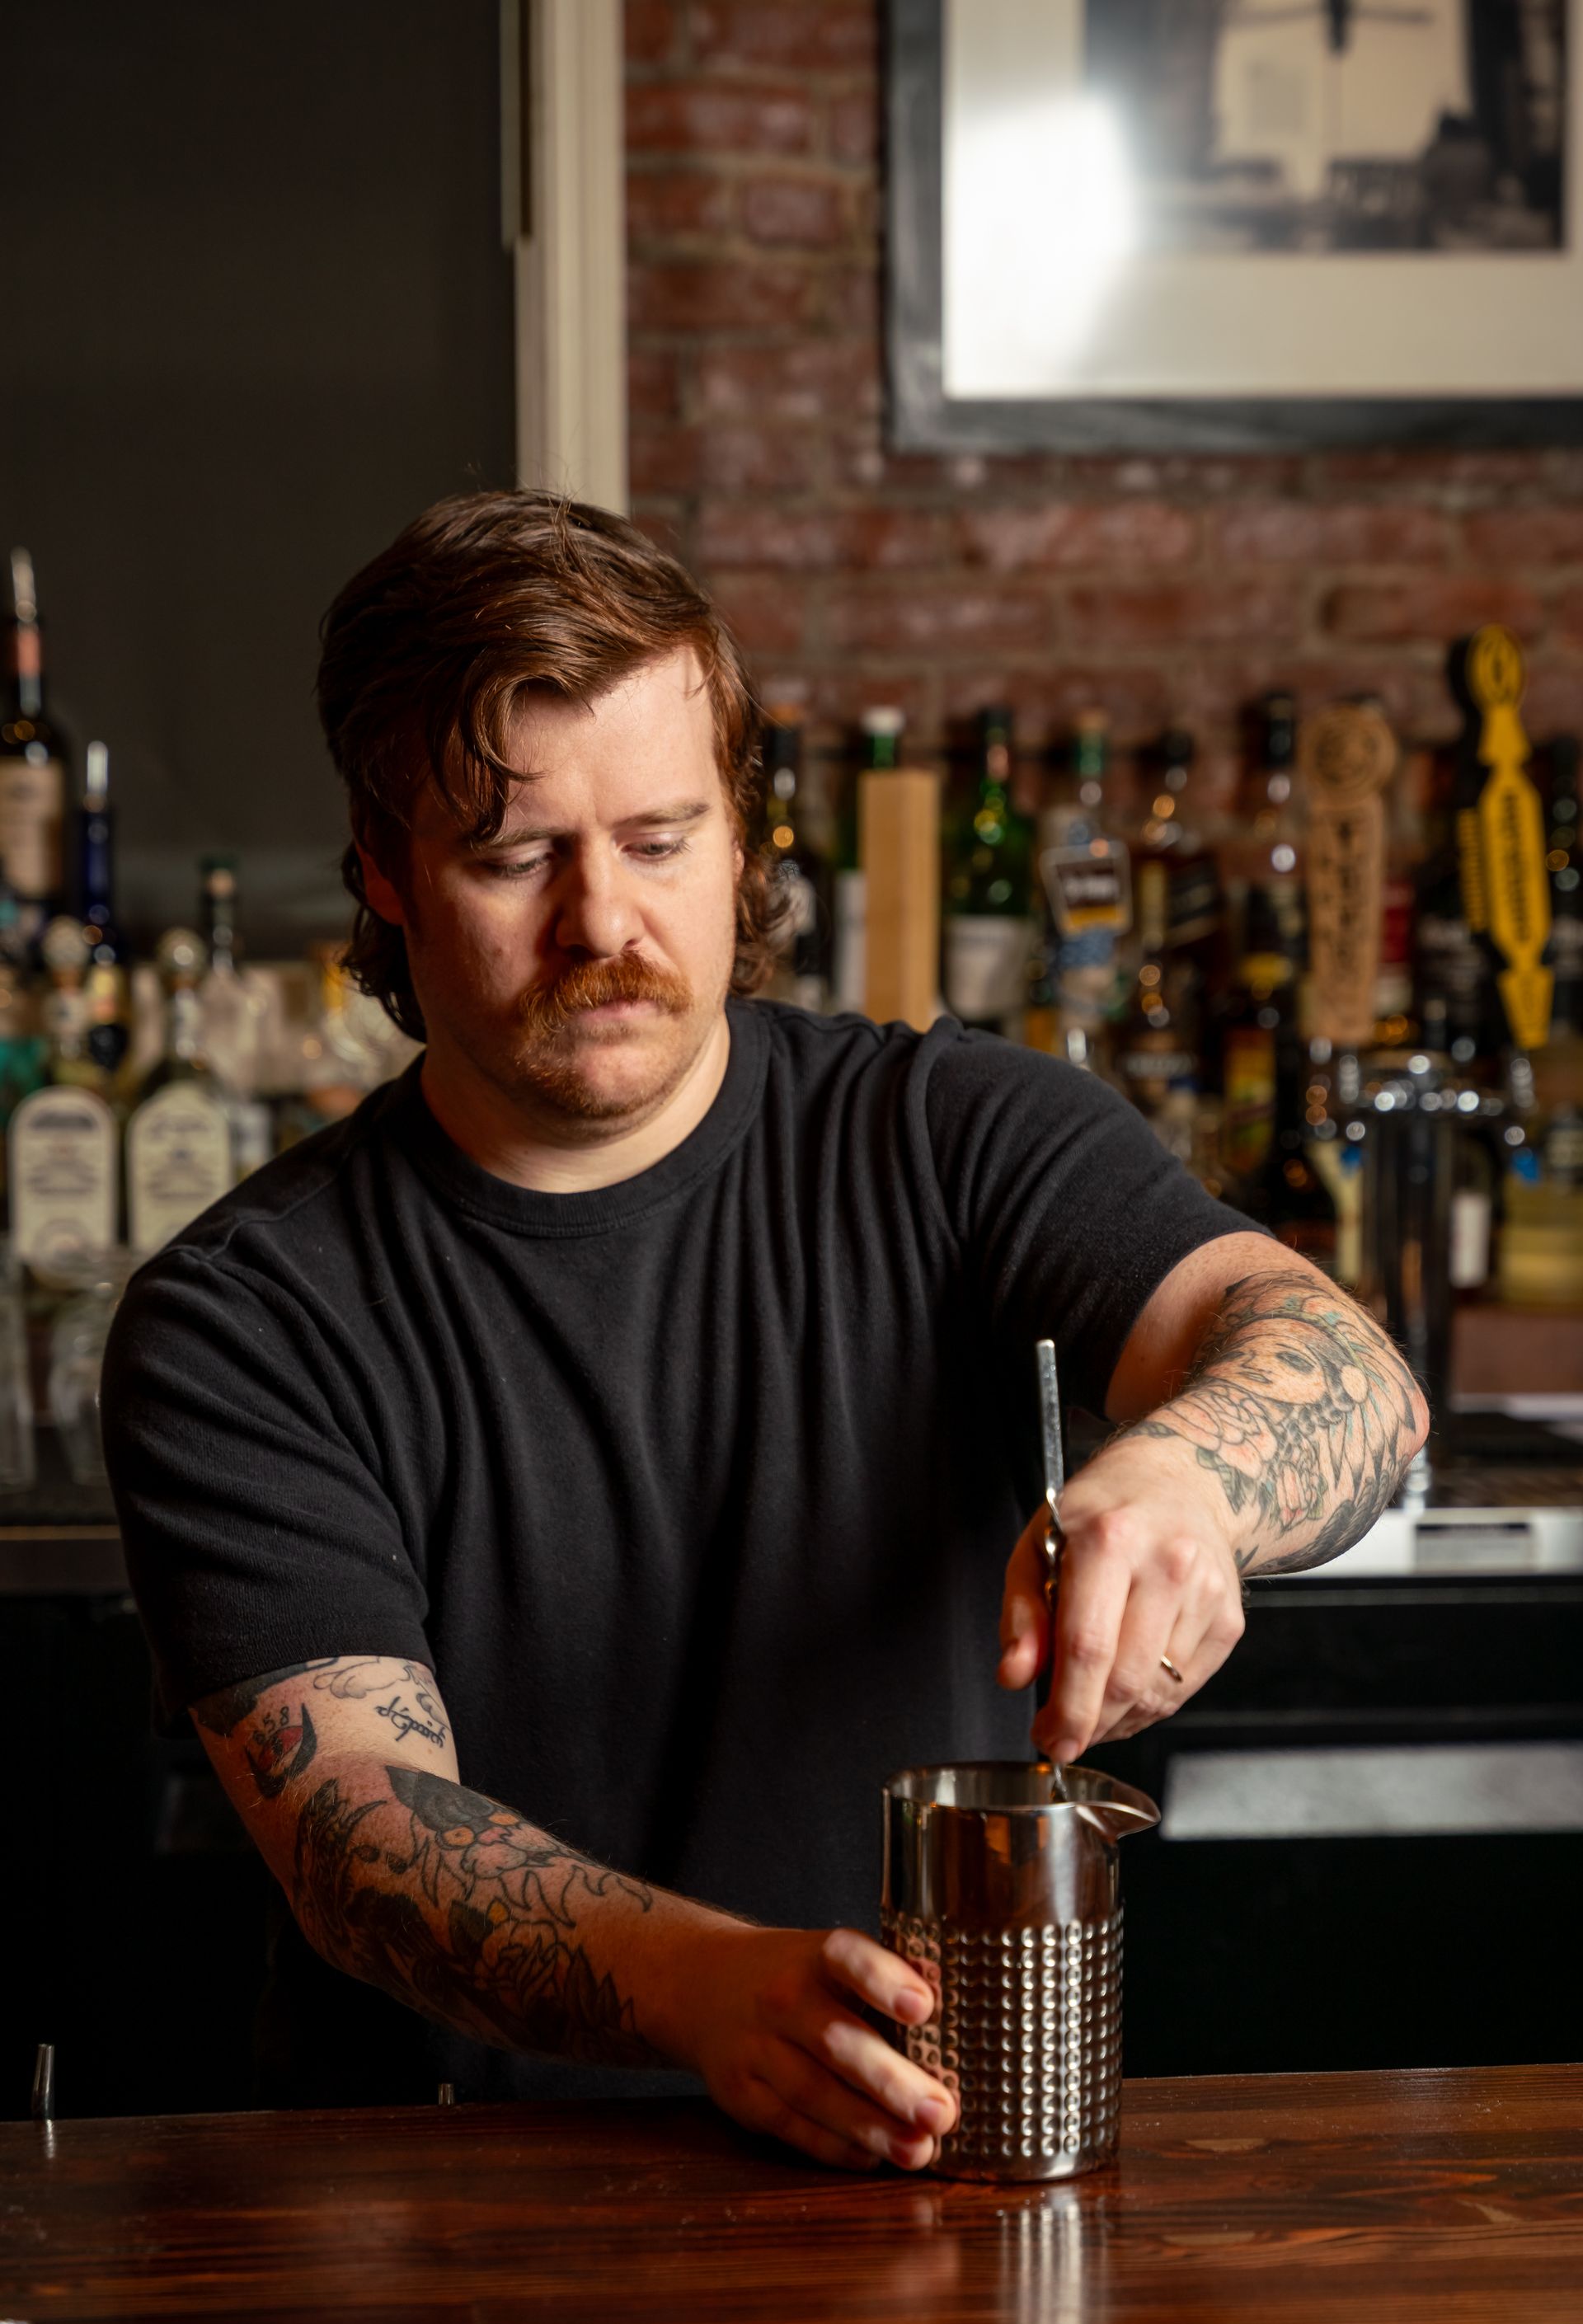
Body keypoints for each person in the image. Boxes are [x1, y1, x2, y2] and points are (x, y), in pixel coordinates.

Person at [103, 493, 1426, 2172]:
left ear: (743, 838)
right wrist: (711, 1989)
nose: (604, 922)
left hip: (928, 2169)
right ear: (382, 870)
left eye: (661, 837)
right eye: (516, 857)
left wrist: (1183, 1482)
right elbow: (369, 1836)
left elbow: (1340, 1365)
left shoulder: (949, 1133)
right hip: (447, 2218)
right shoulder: (246, 1317)